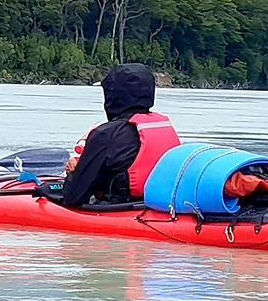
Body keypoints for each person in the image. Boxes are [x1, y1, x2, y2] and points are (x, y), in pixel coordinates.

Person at [57, 63, 181, 207]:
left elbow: (73, 197)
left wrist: (73, 173)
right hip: (159, 206)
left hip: (119, 209)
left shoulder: (105, 135)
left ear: (113, 95)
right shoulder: (163, 127)